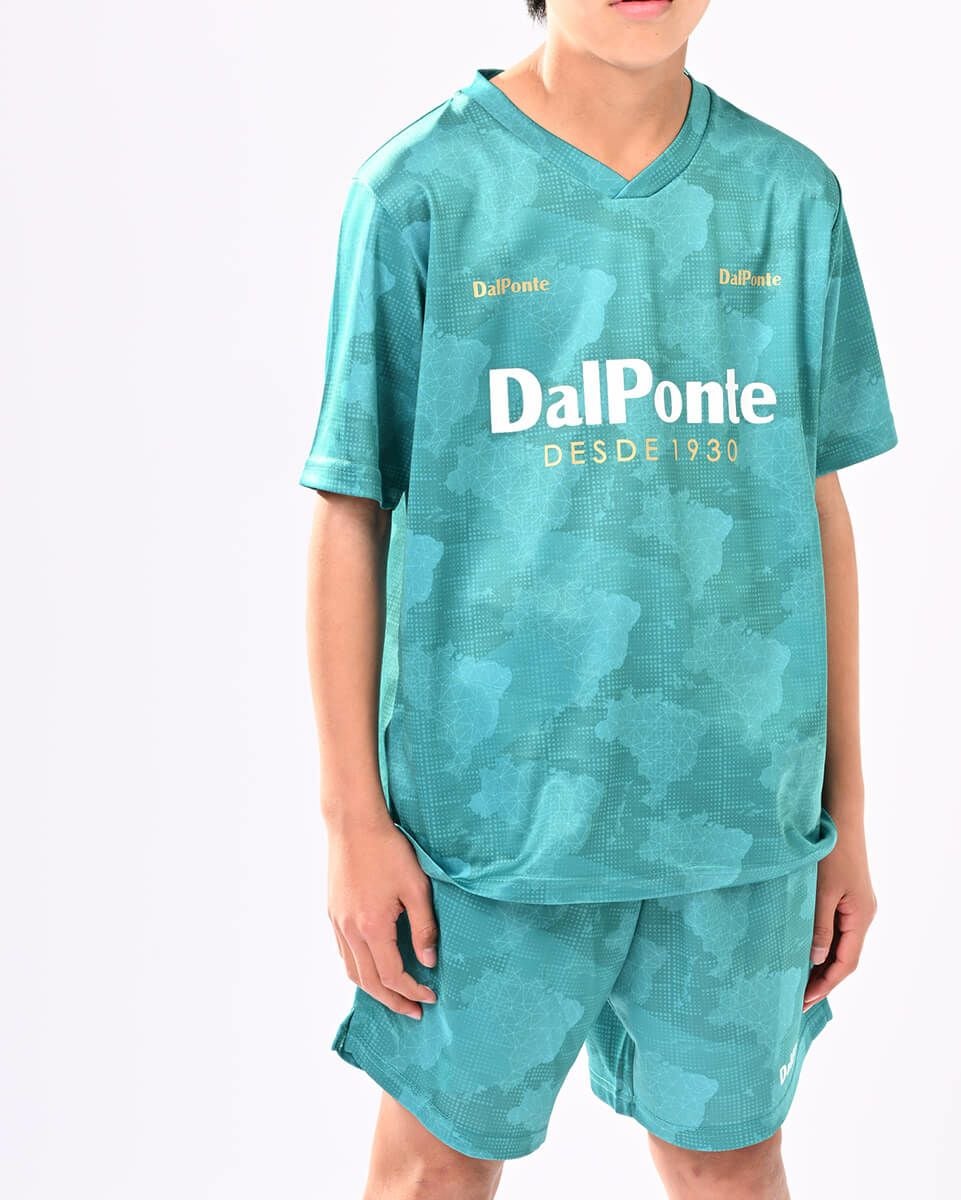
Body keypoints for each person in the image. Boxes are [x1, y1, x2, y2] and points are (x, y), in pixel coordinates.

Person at [299, 1, 898, 1195]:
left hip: (738, 827)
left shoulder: (789, 197)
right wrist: (354, 823)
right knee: (433, 1165)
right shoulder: (424, 191)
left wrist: (845, 816)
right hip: (487, 829)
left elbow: (814, 506)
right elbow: (350, 510)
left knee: (733, 1164)